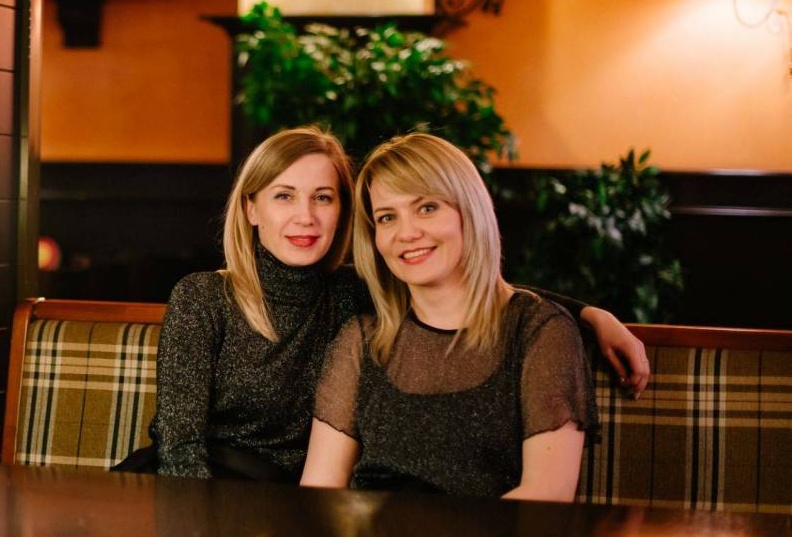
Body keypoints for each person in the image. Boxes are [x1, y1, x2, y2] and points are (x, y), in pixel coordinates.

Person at [118, 126, 645, 483]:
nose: (305, 216)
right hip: (196, 490)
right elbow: (180, 447)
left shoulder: (354, 292)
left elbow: (465, 282)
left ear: (345, 213)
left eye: (323, 197)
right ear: (251, 209)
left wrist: (588, 315)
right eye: (284, 196)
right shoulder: (204, 296)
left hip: (291, 504)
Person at [300, 134, 598, 501]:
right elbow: (319, 493)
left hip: (491, 535)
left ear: (468, 211)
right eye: (387, 217)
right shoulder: (361, 339)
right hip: (370, 535)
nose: (407, 233)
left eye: (427, 208)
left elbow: (547, 495)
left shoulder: (538, 331)